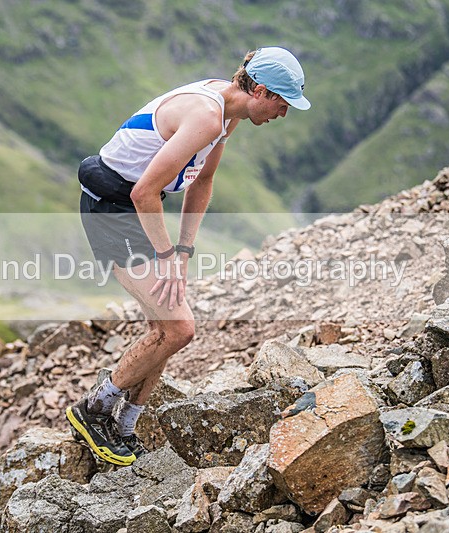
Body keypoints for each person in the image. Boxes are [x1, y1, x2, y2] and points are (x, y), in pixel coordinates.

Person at [66, 46, 311, 466]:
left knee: (166, 326)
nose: (283, 115)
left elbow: (203, 182)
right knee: (179, 328)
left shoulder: (226, 117)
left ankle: (124, 427)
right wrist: (166, 256)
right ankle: (94, 408)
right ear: (263, 92)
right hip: (113, 208)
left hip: (135, 207)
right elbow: (143, 191)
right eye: (283, 104)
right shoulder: (206, 117)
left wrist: (182, 253)